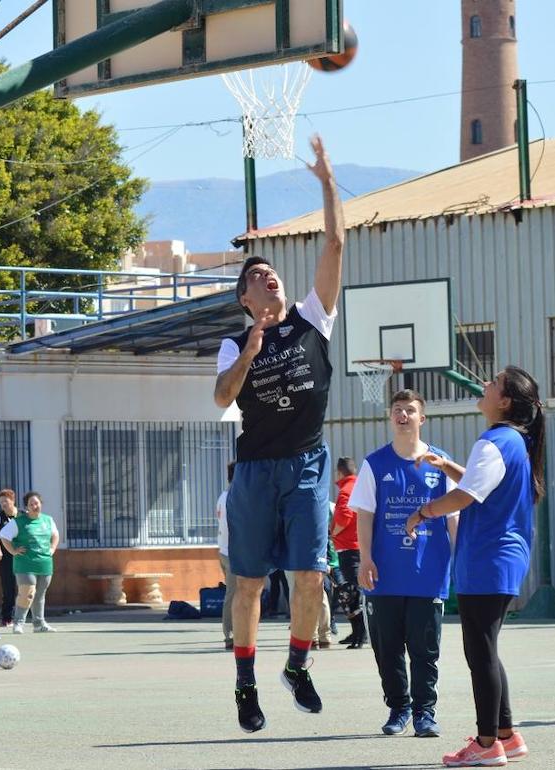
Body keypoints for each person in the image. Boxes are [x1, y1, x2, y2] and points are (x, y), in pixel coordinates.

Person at [213, 135, 343, 733]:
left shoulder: (314, 319)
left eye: (272, 273)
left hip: (309, 463)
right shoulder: (234, 344)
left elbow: (336, 243)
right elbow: (221, 397)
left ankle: (297, 664)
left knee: (311, 575)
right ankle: (245, 683)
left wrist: (326, 182)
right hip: (256, 470)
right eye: (257, 277)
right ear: (245, 297)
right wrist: (252, 352)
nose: (269, 279)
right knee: (247, 585)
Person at [402, 366, 543, 766]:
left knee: (479, 653)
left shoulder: (494, 441)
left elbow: (465, 498)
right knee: (488, 650)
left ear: (505, 401)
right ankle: (506, 734)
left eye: (494, 383)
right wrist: (448, 468)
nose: (485, 385)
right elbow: (481, 487)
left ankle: (485, 744)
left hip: (486, 558)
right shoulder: (515, 441)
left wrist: (422, 512)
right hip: (504, 557)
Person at [351, 388, 458, 738]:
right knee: (388, 648)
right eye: (397, 409)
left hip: (427, 573)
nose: (402, 415)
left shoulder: (439, 462)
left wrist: (462, 563)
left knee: (425, 649)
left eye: (409, 410)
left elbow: (454, 518)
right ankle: (399, 708)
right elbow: (364, 516)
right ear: (390, 416)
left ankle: (425, 712)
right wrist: (365, 558)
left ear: (421, 418)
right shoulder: (375, 464)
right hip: (385, 573)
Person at [0, 491, 59, 635]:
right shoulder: (19, 521)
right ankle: (18, 622)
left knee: (40, 595)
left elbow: (55, 534)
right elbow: (3, 536)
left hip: (44, 563)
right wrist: (13, 551)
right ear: (26, 506)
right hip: (25, 564)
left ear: (41, 504)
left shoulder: (47, 520)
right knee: (27, 592)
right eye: (31, 504)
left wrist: (52, 548)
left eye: (36, 503)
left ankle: (39, 623)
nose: (34, 506)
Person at [331, 457, 365, 649]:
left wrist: (332, 533)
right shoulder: (359, 487)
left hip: (348, 548)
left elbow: (344, 517)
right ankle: (359, 632)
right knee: (356, 591)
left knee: (349, 592)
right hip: (360, 546)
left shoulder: (345, 491)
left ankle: (359, 633)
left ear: (339, 472)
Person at [217, 462, 236, 650]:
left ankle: (234, 633)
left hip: (223, 550)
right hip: (232, 552)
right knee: (233, 594)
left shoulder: (223, 496)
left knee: (234, 593)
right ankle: (230, 635)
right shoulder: (233, 497)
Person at [0, 489, 19, 627]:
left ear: (13, 500)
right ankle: (7, 617)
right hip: (6, 558)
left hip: (23, 556)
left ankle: (25, 615)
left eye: (6, 501)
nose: (3, 504)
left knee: (26, 587)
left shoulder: (22, 515)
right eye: (1, 502)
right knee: (8, 587)